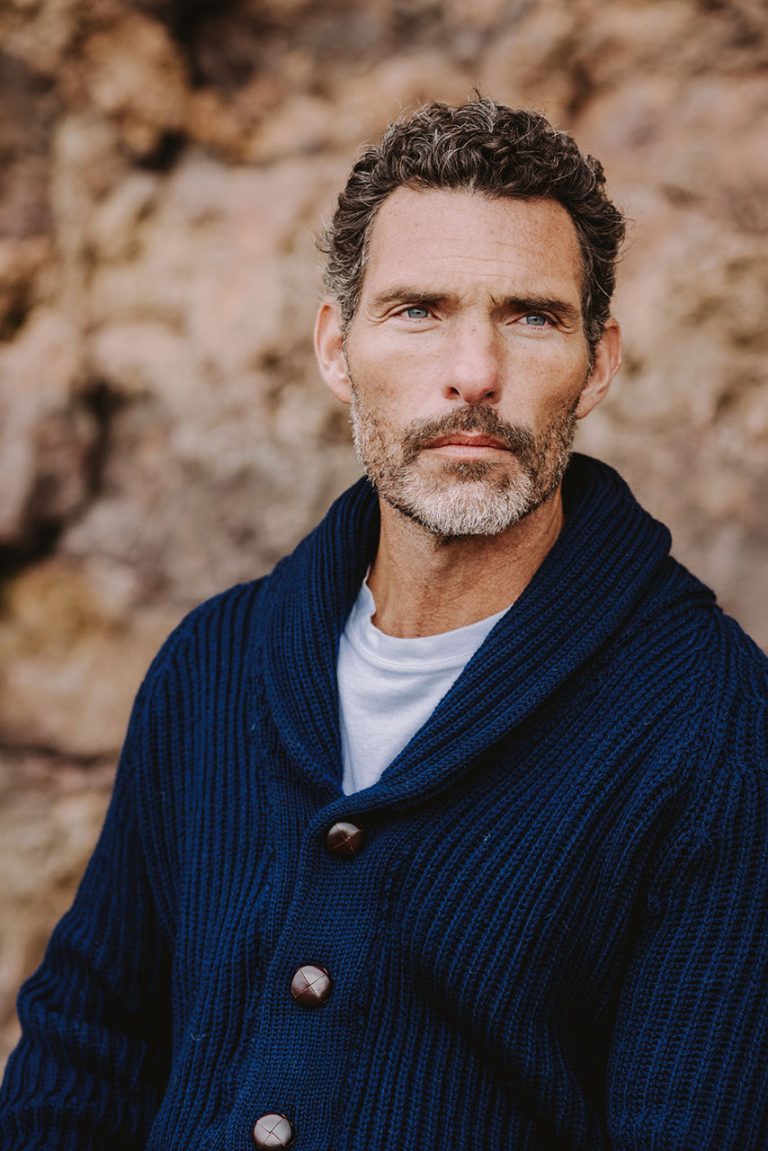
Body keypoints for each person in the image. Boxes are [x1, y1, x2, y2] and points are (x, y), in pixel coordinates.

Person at [1, 97, 766, 1151]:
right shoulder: (212, 665)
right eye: (418, 310)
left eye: (532, 316)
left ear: (598, 363)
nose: (475, 372)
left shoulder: (718, 729)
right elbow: (84, 1052)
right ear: (336, 348)